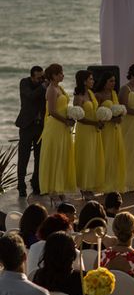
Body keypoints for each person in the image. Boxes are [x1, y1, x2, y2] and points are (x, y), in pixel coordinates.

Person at [39, 63, 76, 199]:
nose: (63, 75)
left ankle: (60, 186)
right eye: (60, 73)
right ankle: (54, 189)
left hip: (63, 126)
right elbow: (53, 111)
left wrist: (71, 116)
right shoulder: (51, 90)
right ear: (54, 75)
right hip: (55, 126)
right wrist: (66, 120)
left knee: (63, 155)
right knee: (56, 155)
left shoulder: (59, 87)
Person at [15, 65, 46, 198]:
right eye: (38, 78)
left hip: (40, 126)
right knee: (23, 157)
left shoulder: (44, 86)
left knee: (39, 157)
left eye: (42, 77)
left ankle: (36, 183)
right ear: (32, 76)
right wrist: (43, 86)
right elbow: (31, 96)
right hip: (27, 126)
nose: (41, 80)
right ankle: (21, 185)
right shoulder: (24, 83)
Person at [73, 70, 105, 197]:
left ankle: (91, 184)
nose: (93, 81)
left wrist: (101, 119)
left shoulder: (91, 93)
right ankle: (84, 187)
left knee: (93, 156)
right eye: (91, 79)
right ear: (84, 81)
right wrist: (94, 123)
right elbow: (78, 117)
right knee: (86, 156)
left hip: (94, 129)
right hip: (85, 130)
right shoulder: (78, 97)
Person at [94, 71, 126, 193]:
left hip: (116, 129)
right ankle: (104, 184)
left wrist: (120, 116)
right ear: (104, 82)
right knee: (106, 155)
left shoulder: (114, 94)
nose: (113, 83)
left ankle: (114, 183)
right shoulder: (98, 95)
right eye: (111, 81)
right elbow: (97, 114)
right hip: (106, 129)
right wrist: (112, 118)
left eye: (114, 81)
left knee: (116, 155)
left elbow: (118, 108)